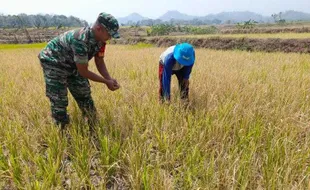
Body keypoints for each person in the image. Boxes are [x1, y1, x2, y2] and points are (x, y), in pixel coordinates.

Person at [38, 12, 120, 129]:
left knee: (84, 94)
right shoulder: (80, 40)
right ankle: (62, 132)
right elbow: (83, 72)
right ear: (98, 28)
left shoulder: (101, 41)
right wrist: (106, 82)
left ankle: (93, 126)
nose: (111, 37)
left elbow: (100, 62)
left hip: (73, 64)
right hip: (54, 62)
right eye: (109, 34)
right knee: (59, 100)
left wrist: (109, 78)